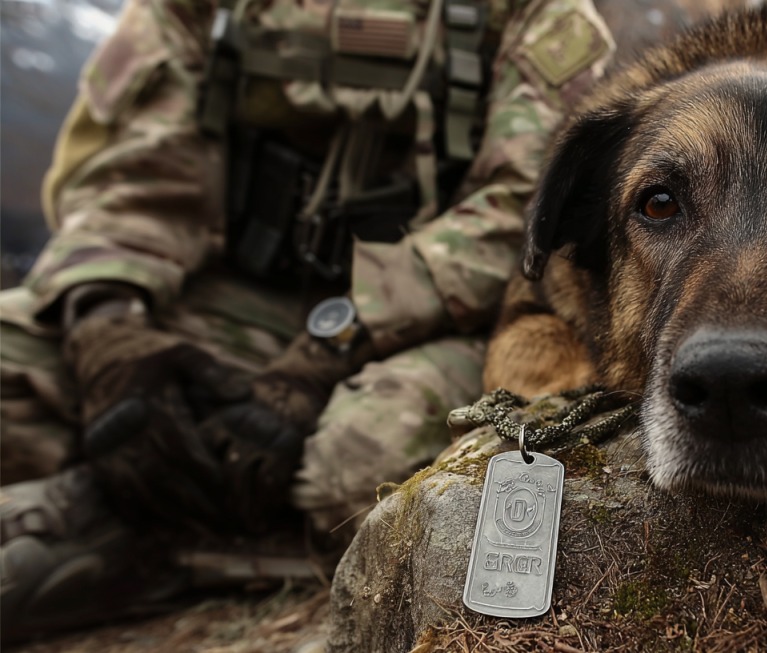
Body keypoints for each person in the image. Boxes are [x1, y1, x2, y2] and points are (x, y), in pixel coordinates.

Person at [0, 0, 614, 639]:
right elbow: (136, 177)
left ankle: (119, 526)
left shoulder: (529, 14)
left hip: (431, 319)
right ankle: (186, 515)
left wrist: (329, 345)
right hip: (231, 297)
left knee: (354, 468)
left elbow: (521, 215)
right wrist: (109, 330)